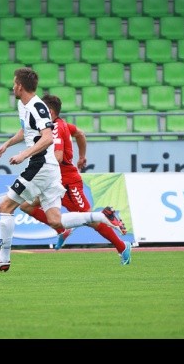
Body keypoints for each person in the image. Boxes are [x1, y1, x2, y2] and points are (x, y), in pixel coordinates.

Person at [0, 68, 126, 272]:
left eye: (14, 83)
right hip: (49, 169)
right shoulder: (23, 105)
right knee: (56, 220)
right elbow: (26, 130)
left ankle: (3, 257)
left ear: (20, 86)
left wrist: (23, 154)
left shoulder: (38, 107)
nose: (12, 87)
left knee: (5, 207)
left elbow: (47, 138)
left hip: (40, 166)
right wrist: (7, 144)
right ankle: (101, 216)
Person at [19, 94, 131, 265]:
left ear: (49, 111)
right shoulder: (62, 125)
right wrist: (82, 157)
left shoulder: (56, 128)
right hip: (53, 181)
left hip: (67, 182)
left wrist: (35, 165)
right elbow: (80, 133)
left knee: (89, 219)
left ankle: (121, 244)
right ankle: (61, 230)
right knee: (26, 205)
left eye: (41, 110)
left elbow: (57, 157)